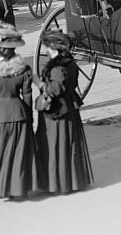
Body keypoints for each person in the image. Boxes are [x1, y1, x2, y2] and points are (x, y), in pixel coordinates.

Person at [34, 30, 94, 195]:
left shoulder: (58, 67)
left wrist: (38, 83)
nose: (45, 50)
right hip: (68, 108)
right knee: (67, 146)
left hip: (58, 112)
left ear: (54, 48)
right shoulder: (70, 63)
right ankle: (70, 179)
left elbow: (55, 90)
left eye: (47, 47)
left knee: (55, 146)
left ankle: (57, 183)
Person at [0, 24, 33, 200]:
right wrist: (30, 118)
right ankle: (17, 189)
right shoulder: (23, 69)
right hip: (19, 114)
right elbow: (27, 95)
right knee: (18, 153)